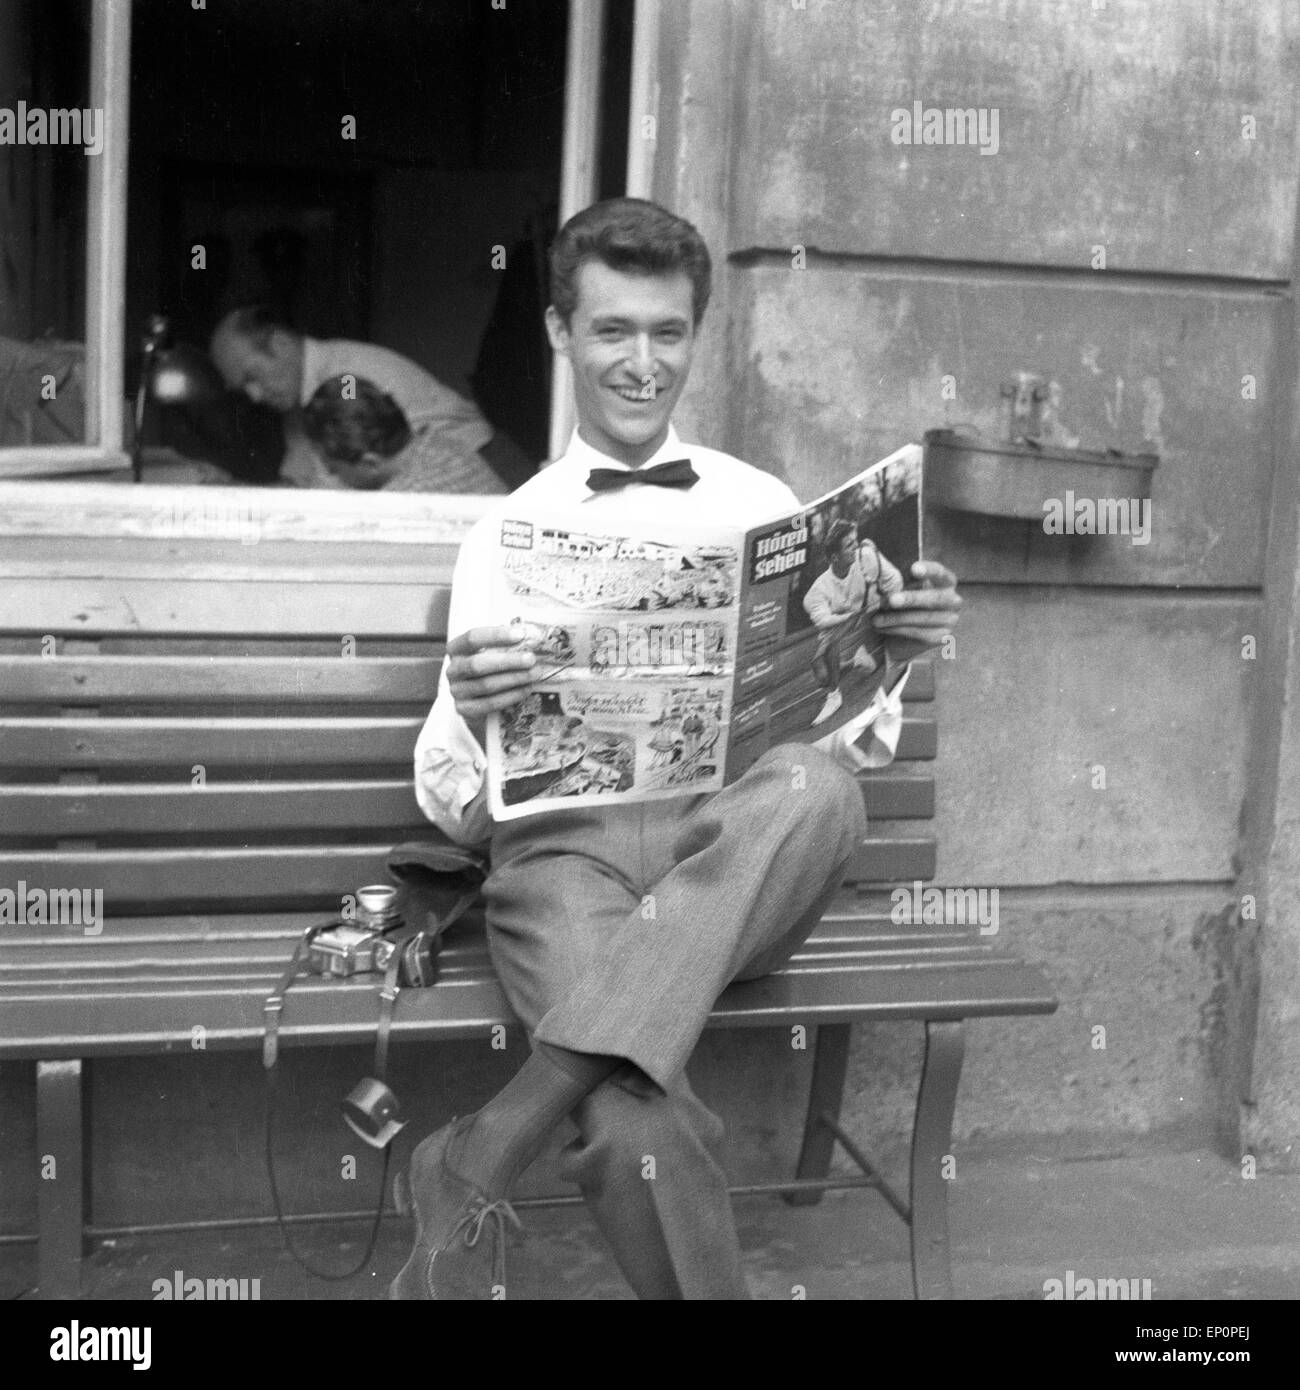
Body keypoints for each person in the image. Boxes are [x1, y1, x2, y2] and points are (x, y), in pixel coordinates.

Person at [403, 197, 961, 1300]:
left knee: (813, 784)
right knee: (630, 1111)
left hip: (732, 860)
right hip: (569, 861)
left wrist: (883, 652)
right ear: (561, 334)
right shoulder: (503, 530)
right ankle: (566, 1101)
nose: (642, 362)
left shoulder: (761, 504)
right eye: (613, 330)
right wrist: (468, 707)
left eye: (668, 332)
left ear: (694, 336)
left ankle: (493, 1137)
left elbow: (849, 741)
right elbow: (457, 812)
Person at [208, 307, 514, 493]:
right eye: (243, 388)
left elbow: (330, 492)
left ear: (279, 343)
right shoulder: (301, 398)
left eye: (252, 376)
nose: (254, 395)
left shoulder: (346, 380)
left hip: (482, 472)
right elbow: (302, 485)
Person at [802, 519, 906, 725]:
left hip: (871, 612)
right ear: (834, 557)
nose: (856, 547)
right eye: (850, 545)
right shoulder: (817, 591)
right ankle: (856, 661)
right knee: (822, 674)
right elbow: (823, 621)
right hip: (844, 622)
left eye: (855, 541)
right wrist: (849, 617)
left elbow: (895, 581)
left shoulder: (865, 556)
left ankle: (834, 697)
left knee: (833, 650)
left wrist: (890, 605)